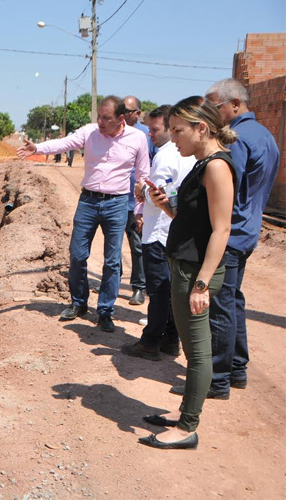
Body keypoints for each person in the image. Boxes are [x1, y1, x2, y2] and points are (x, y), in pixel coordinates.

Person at [168, 79, 280, 399]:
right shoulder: (266, 135)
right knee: (232, 303)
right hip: (248, 231)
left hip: (228, 235)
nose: (215, 114)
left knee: (217, 310)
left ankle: (217, 379)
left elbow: (223, 190)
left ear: (234, 104)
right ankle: (238, 369)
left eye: (215, 106)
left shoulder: (239, 141)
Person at [138, 96, 237, 450]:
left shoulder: (216, 167)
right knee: (195, 350)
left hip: (195, 273)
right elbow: (194, 225)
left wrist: (201, 284)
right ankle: (183, 415)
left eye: (178, 131)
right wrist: (167, 208)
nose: (172, 137)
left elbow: (221, 231)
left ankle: (188, 428)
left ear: (202, 128)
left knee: (197, 354)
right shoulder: (200, 163)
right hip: (185, 266)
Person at [17, 96, 150, 332]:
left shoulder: (138, 138)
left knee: (112, 261)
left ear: (121, 118)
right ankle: (78, 303)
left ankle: (105, 311)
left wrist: (140, 211)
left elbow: (143, 176)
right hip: (88, 201)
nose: (100, 121)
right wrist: (37, 148)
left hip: (117, 204)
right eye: (98, 116)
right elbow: (64, 143)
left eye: (106, 118)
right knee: (77, 255)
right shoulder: (90, 132)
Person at [121, 105, 196, 361]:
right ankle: (170, 340)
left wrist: (143, 191)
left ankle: (151, 341)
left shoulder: (165, 156)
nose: (149, 134)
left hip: (159, 233)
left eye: (155, 129)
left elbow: (160, 195)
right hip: (176, 233)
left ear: (169, 128)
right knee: (173, 289)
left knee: (159, 290)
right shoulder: (190, 155)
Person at [121, 95, 153, 306]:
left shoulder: (146, 135)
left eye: (127, 111)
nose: (122, 114)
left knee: (137, 246)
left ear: (138, 113)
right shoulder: (116, 132)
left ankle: (139, 287)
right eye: (121, 111)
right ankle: (112, 282)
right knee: (113, 244)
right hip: (117, 198)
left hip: (136, 202)